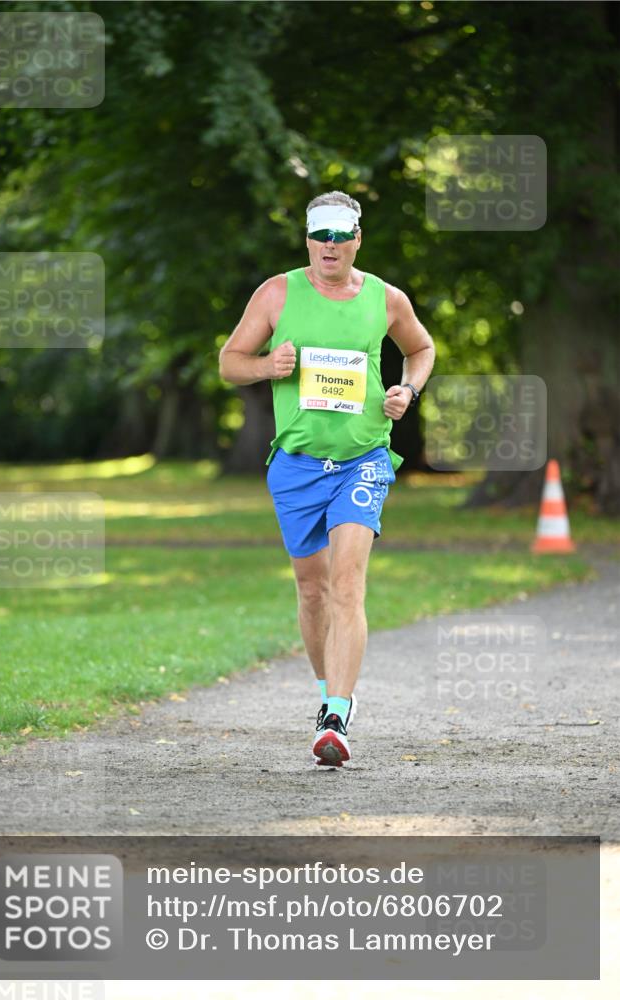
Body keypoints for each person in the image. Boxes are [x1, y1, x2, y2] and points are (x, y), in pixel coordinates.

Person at [219, 191, 435, 768]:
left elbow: (421, 347)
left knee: (346, 583)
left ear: (358, 238)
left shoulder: (385, 298)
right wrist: (268, 366)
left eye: (342, 235)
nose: (331, 246)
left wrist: (406, 390)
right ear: (308, 238)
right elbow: (229, 360)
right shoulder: (277, 293)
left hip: (364, 456)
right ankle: (326, 691)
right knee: (312, 589)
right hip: (295, 465)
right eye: (322, 235)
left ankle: (336, 714)